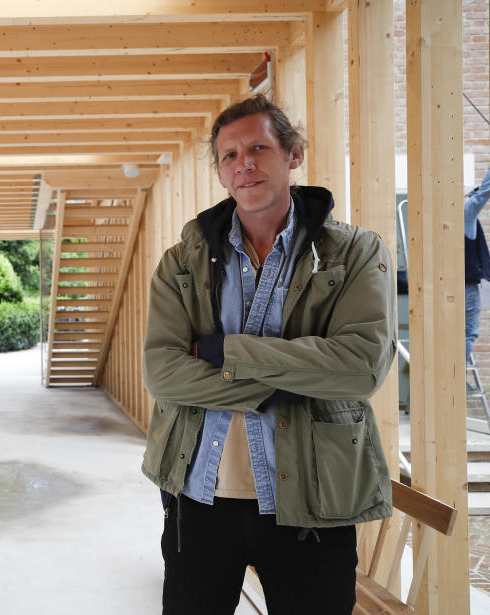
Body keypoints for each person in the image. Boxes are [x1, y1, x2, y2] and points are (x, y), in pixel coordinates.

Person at [141, 95, 396, 615]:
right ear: (219, 171)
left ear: (293, 154)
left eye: (259, 147)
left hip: (313, 502)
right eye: (229, 155)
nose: (245, 164)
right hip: (200, 496)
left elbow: (360, 367)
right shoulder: (182, 261)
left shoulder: (355, 254)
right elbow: (163, 372)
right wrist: (292, 380)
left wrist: (220, 351)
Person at [464, 165, 490, 365]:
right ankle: (456, 378)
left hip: (451, 286)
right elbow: (484, 193)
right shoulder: (465, 212)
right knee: (469, 333)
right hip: (467, 288)